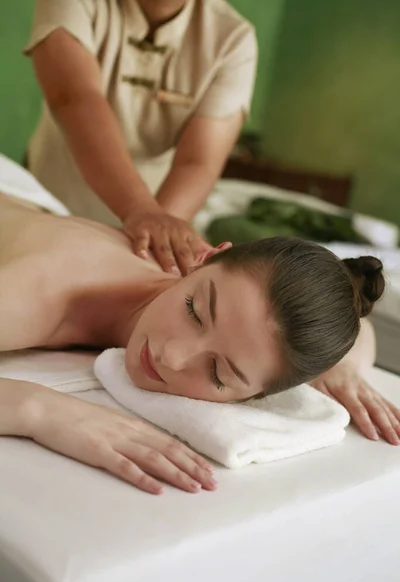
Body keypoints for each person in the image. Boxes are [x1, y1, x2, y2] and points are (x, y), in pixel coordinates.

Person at [1, 186, 399, 497]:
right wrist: (40, 410)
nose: (172, 356)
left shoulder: (247, 316)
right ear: (204, 258)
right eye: (193, 311)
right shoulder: (40, 292)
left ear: (254, 396)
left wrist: (344, 369)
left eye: (217, 372)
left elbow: (357, 326)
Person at [24, 0, 257, 275]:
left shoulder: (232, 38)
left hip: (154, 220)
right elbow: (74, 99)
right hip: (46, 202)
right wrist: (140, 209)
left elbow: (198, 162)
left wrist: (154, 243)